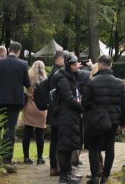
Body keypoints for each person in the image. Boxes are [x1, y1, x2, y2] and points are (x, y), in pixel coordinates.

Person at [82, 55, 125, 184]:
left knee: (94, 148)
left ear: (99, 64)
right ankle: (105, 176)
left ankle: (95, 176)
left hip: (97, 120)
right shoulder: (119, 83)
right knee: (110, 148)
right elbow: (124, 105)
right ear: (111, 65)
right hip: (113, 121)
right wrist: (123, 122)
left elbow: (85, 103)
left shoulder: (92, 82)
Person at [0, 41, 31, 164]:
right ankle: (7, 157)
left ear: (8, 49)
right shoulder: (23, 64)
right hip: (15, 100)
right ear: (19, 51)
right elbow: (27, 83)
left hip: (0, 99)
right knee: (10, 128)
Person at [53, 53, 85, 184]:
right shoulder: (63, 78)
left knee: (70, 145)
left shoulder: (71, 76)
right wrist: (82, 108)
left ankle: (68, 172)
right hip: (66, 115)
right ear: (67, 65)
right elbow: (69, 98)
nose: (76, 66)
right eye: (73, 64)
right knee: (65, 146)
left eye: (76, 63)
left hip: (72, 115)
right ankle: (64, 175)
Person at [20, 60, 48, 165]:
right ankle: (40, 158)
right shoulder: (45, 80)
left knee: (27, 133)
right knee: (40, 134)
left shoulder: (29, 78)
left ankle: (26, 157)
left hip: (29, 107)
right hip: (41, 109)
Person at [47, 51, 66, 176]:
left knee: (55, 139)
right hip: (58, 111)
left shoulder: (53, 72)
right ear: (59, 59)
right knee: (57, 140)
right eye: (64, 59)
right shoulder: (58, 73)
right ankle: (55, 165)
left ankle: (54, 165)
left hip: (53, 111)